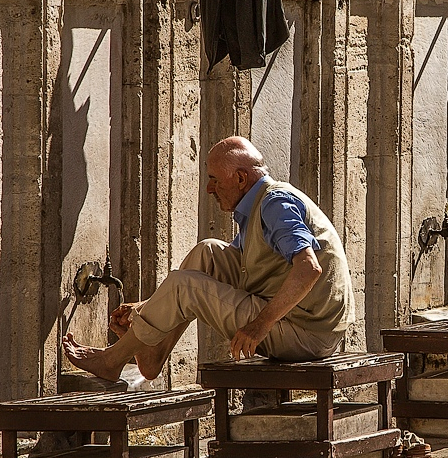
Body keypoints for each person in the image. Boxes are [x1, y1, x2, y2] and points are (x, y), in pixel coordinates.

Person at [62, 136, 352, 381]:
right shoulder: (260, 202)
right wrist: (145, 308)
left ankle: (111, 361)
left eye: (214, 179)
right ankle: (152, 353)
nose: (209, 188)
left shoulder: (275, 204)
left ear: (241, 179)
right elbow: (235, 267)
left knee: (184, 286)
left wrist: (259, 325)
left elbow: (308, 268)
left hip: (307, 333)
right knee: (208, 252)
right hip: (299, 319)